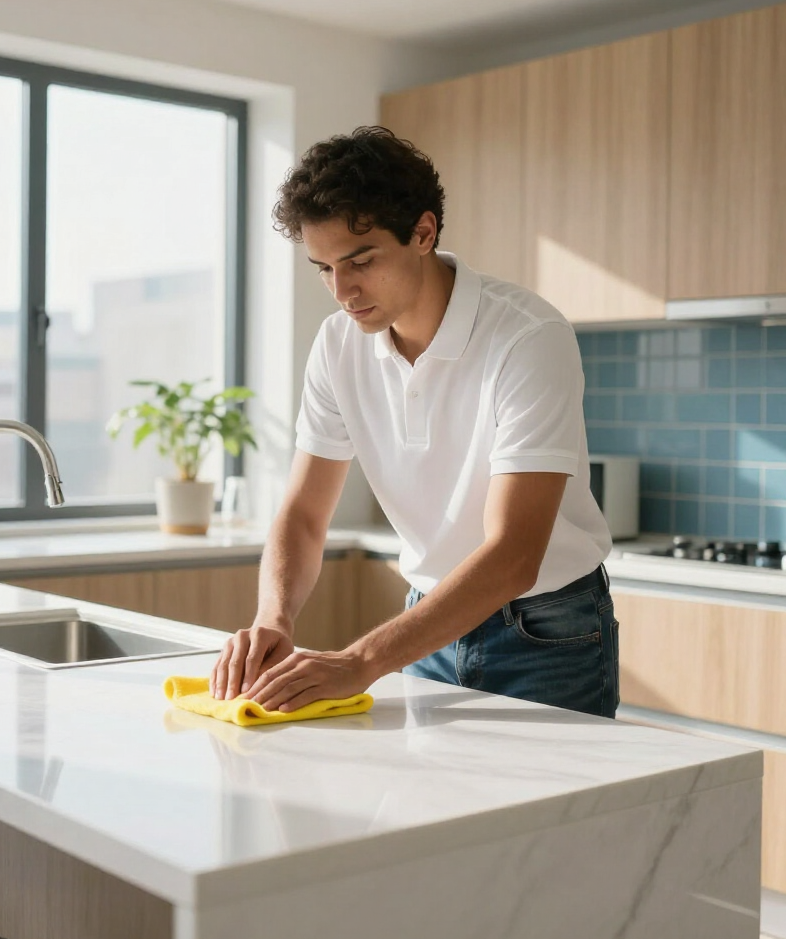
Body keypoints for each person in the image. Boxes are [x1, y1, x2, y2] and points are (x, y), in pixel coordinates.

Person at [209, 126, 618, 718]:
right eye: (322, 268)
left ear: (423, 233)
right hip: (424, 624)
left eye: (361, 260)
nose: (342, 291)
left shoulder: (528, 337)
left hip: (547, 633)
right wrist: (273, 617)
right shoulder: (337, 345)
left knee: (552, 813)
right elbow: (303, 515)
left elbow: (513, 554)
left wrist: (359, 661)